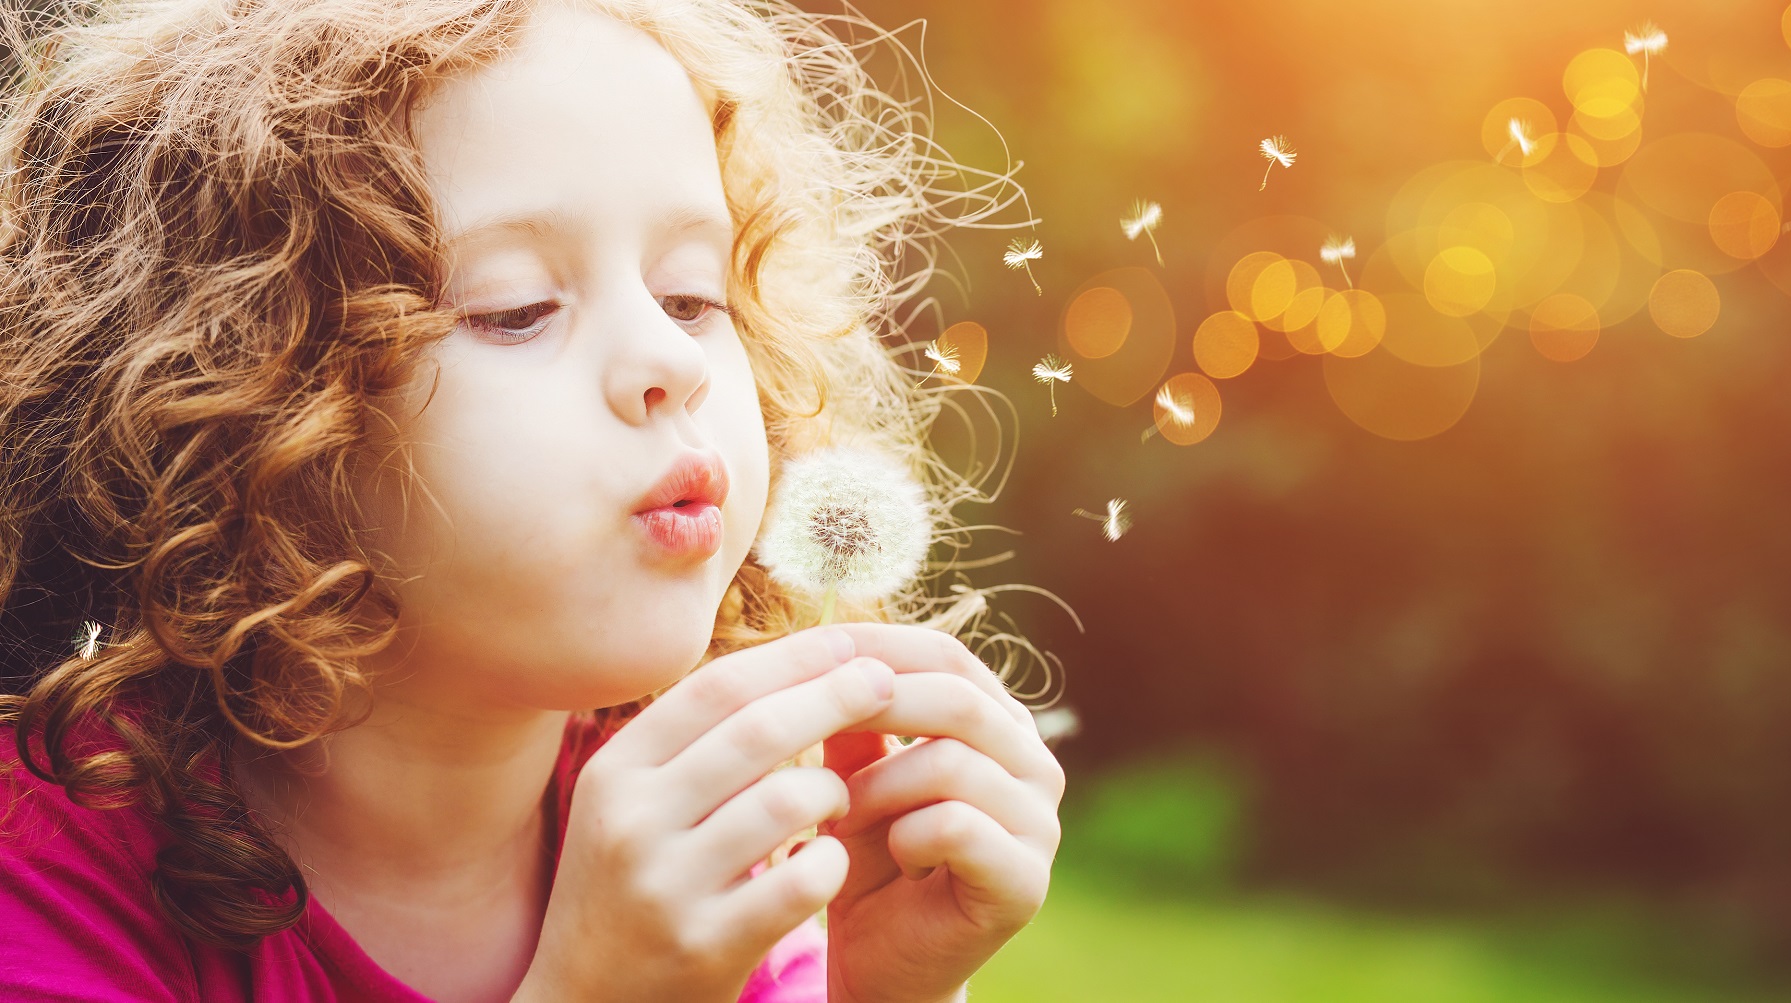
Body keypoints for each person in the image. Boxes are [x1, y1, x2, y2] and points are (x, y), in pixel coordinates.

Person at [0, 1, 1063, 1000]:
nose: (667, 356)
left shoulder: (712, 855)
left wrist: (876, 985)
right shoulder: (45, 869)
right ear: (240, 401)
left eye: (694, 293)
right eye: (517, 309)